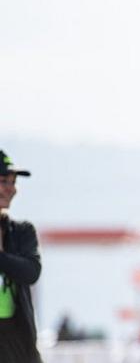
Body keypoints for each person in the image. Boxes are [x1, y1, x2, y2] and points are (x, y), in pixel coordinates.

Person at [0, 150, 43, 363]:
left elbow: (31, 272)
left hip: (17, 342)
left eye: (13, 182)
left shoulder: (21, 232)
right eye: (3, 181)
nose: (11, 189)